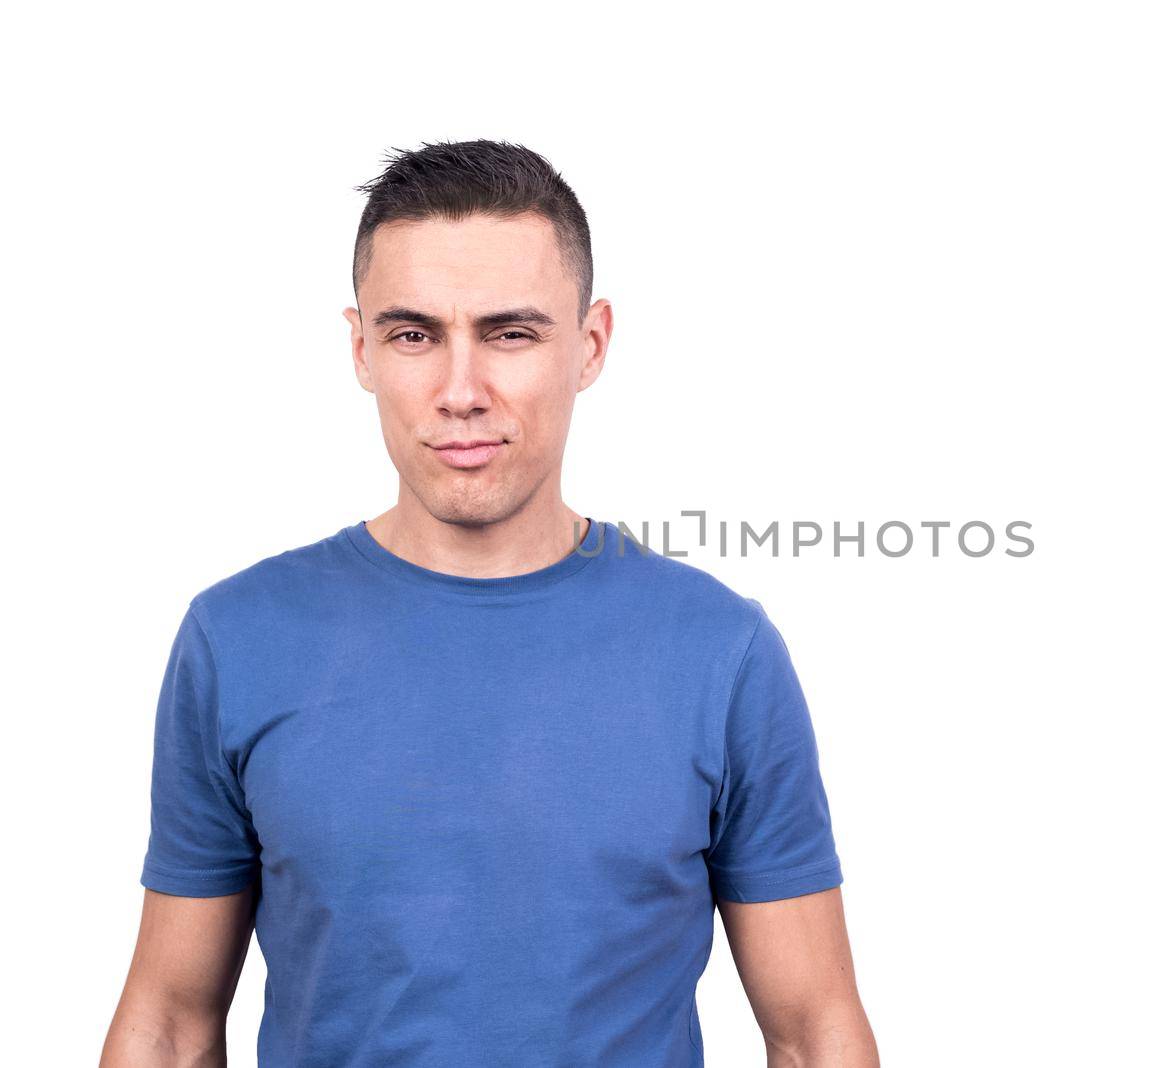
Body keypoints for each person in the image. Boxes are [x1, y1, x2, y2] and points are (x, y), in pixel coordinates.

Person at [101, 140, 878, 1067]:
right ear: (361, 349)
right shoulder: (236, 640)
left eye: (510, 333)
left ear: (589, 347)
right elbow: (173, 1024)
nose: (460, 392)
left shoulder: (722, 652)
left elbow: (811, 1031)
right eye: (414, 334)